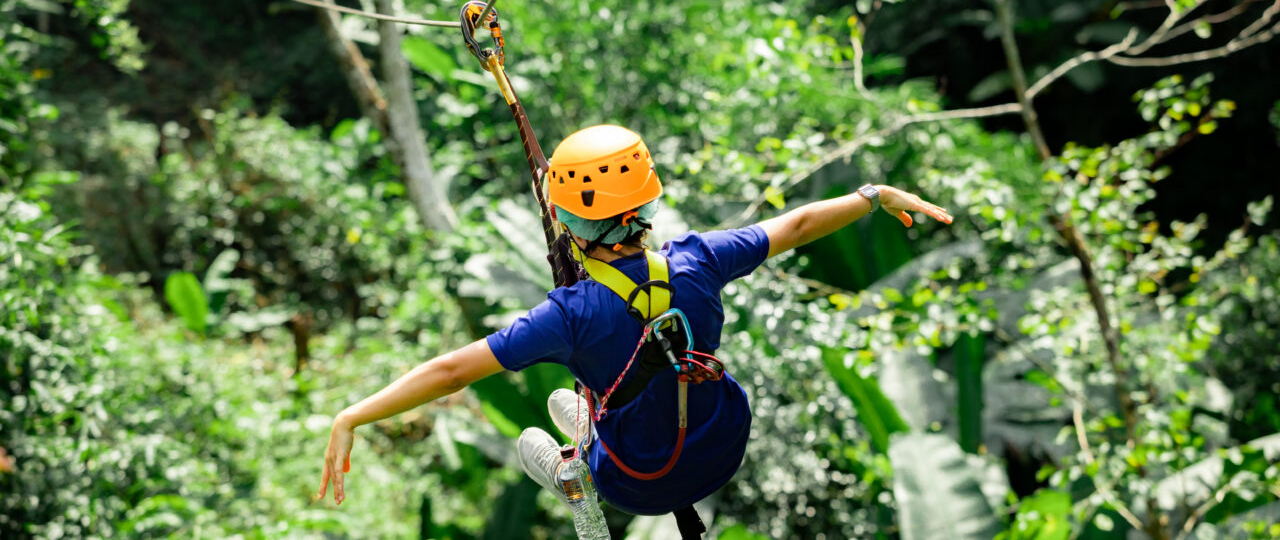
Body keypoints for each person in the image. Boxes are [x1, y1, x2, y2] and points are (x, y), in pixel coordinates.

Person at [316, 125, 952, 526]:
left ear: (567, 225)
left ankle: (575, 474)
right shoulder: (701, 259)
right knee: (591, 394)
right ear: (649, 203)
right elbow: (801, 225)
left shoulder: (568, 315)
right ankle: (594, 428)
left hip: (639, 482)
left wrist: (353, 416)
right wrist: (873, 194)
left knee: (548, 416)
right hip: (721, 444)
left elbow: (452, 370)